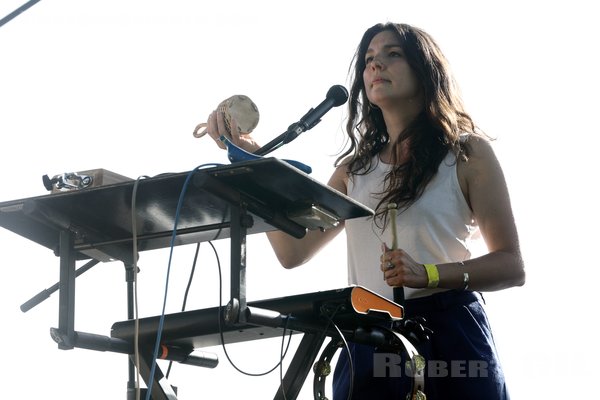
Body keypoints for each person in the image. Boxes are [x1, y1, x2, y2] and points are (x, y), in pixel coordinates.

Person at [204, 22, 525, 400]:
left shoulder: (467, 154)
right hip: (368, 337)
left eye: (393, 54)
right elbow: (293, 252)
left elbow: (511, 266)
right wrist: (253, 167)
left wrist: (430, 274)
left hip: (450, 334)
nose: (376, 66)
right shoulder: (353, 171)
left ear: (425, 70)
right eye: (369, 59)